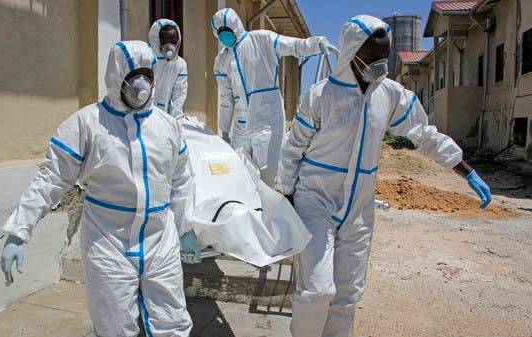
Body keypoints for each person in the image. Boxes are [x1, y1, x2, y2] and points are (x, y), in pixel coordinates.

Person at [277, 15, 492, 337]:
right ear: (352, 52)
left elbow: (425, 134)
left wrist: (466, 170)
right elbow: (293, 147)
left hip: (359, 205)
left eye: (384, 57)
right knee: (317, 290)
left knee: (348, 295)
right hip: (314, 198)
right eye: (374, 57)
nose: (381, 64)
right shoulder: (321, 95)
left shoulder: (391, 95)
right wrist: (285, 194)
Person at [0, 40, 200, 337]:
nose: (140, 84)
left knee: (173, 323)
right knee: (114, 327)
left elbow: (182, 179)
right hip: (108, 244)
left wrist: (185, 229)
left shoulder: (167, 126)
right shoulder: (87, 124)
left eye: (147, 74)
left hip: (160, 241)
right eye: (133, 76)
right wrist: (19, 230)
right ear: (116, 76)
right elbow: (51, 178)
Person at [211, 8, 337, 187]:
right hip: (240, 126)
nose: (225, 36)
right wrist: (224, 131)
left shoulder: (261, 39)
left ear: (235, 26)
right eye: (221, 33)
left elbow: (293, 46)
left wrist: (316, 44)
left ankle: (270, 212)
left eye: (227, 31)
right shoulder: (222, 60)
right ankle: (249, 213)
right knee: (241, 173)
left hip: (267, 122)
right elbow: (226, 99)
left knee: (268, 175)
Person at [148, 19, 188, 123]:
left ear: (178, 41)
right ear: (158, 41)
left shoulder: (180, 65)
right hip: (147, 117)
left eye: (173, 41)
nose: (169, 45)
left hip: (167, 118)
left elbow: (179, 95)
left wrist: (175, 123)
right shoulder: (148, 60)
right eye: (165, 41)